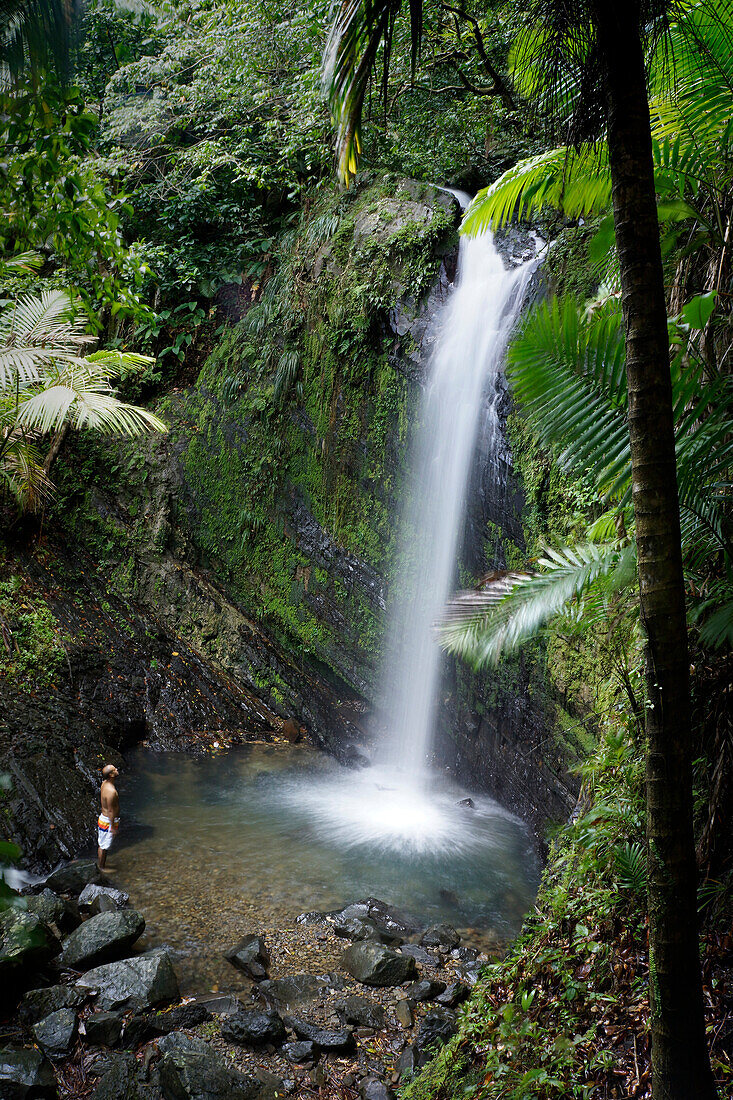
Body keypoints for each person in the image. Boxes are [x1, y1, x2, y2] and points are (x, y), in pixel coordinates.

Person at [97, 764, 120, 870]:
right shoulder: (111, 791)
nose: (116, 769)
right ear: (111, 775)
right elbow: (110, 810)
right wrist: (113, 827)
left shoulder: (104, 783)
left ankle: (101, 865)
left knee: (103, 845)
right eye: (114, 769)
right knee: (104, 847)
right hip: (107, 821)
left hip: (103, 819)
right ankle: (101, 868)